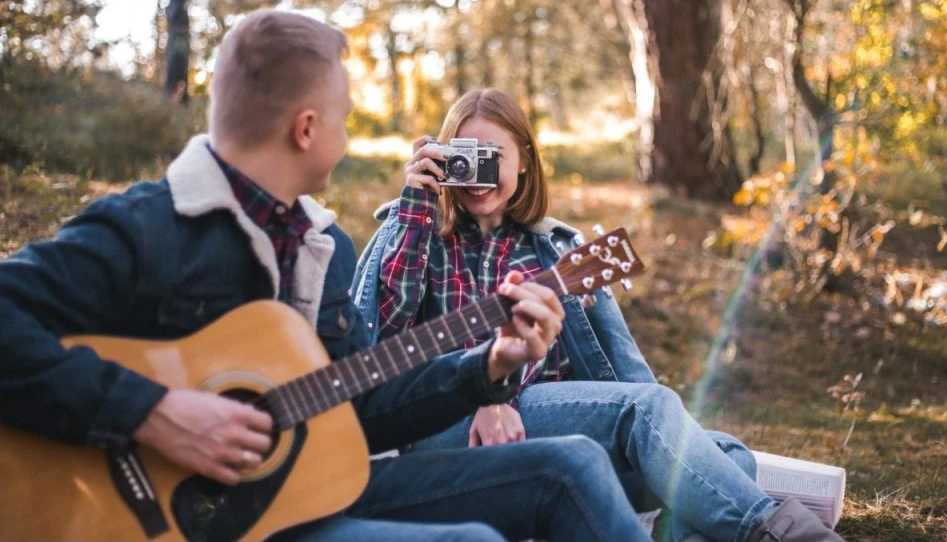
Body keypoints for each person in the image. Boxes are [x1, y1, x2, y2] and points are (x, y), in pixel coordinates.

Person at [0, 12, 651, 542]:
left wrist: (486, 367)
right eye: (342, 119)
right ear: (306, 129)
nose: (345, 139)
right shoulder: (147, 229)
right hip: (169, 520)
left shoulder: (328, 252)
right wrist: (154, 412)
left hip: (305, 491)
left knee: (570, 466)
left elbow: (362, 412)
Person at [354, 88, 846, 542]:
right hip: (441, 428)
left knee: (728, 455)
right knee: (653, 414)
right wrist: (414, 209)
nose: (478, 174)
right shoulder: (416, 236)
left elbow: (622, 376)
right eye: (464, 157)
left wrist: (545, 354)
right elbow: (383, 336)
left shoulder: (558, 253)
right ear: (440, 158)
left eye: (493, 157)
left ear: (524, 160)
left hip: (544, 424)